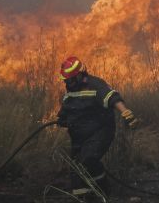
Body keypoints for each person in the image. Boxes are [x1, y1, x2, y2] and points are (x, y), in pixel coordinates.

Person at [55, 56, 139, 199]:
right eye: (66, 81)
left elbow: (112, 97)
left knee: (88, 160)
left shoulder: (95, 85)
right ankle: (83, 198)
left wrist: (125, 112)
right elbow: (67, 108)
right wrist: (62, 119)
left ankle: (103, 193)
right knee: (75, 169)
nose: (68, 83)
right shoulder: (70, 90)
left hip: (100, 132)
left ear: (80, 75)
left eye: (71, 80)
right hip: (79, 137)